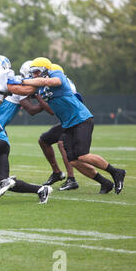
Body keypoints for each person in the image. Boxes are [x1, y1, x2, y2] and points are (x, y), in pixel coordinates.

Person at [10, 57, 126, 194]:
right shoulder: (39, 86)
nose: (34, 75)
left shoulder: (56, 74)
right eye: (32, 73)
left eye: (36, 72)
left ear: (45, 69)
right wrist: (6, 86)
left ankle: (116, 172)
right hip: (68, 124)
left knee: (82, 155)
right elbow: (24, 91)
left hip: (81, 119)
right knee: (73, 161)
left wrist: (23, 81)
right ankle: (105, 183)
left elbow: (52, 81)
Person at [37, 64, 81, 191]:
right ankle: (57, 173)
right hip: (66, 120)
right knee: (44, 140)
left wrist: (38, 95)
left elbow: (51, 110)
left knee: (63, 144)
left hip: (74, 120)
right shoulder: (61, 82)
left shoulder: (62, 83)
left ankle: (71, 179)